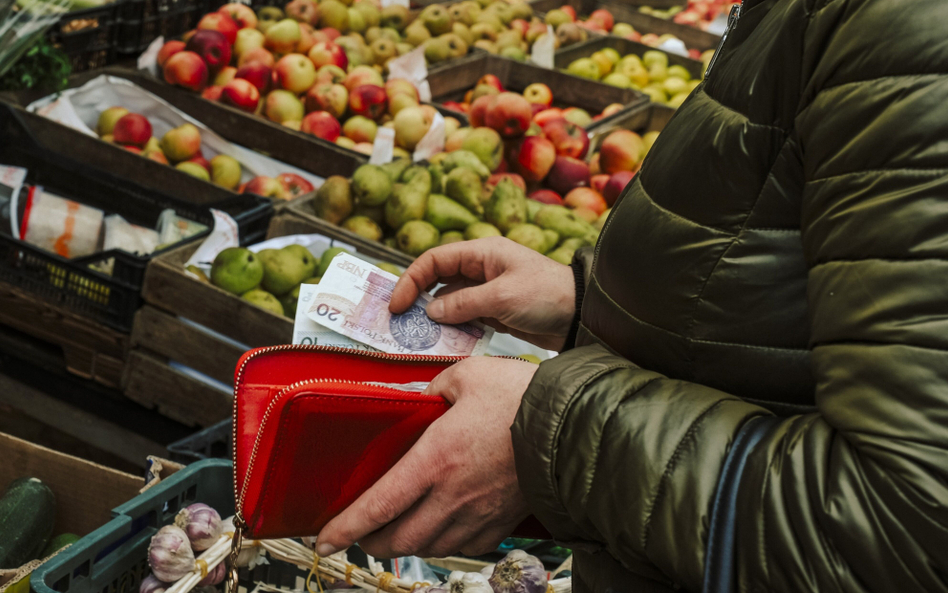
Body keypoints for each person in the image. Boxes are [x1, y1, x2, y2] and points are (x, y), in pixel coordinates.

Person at [314, 0, 948, 590]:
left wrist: (549, 435)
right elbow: (785, 306)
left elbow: (906, 523)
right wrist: (591, 305)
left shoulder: (910, 34)